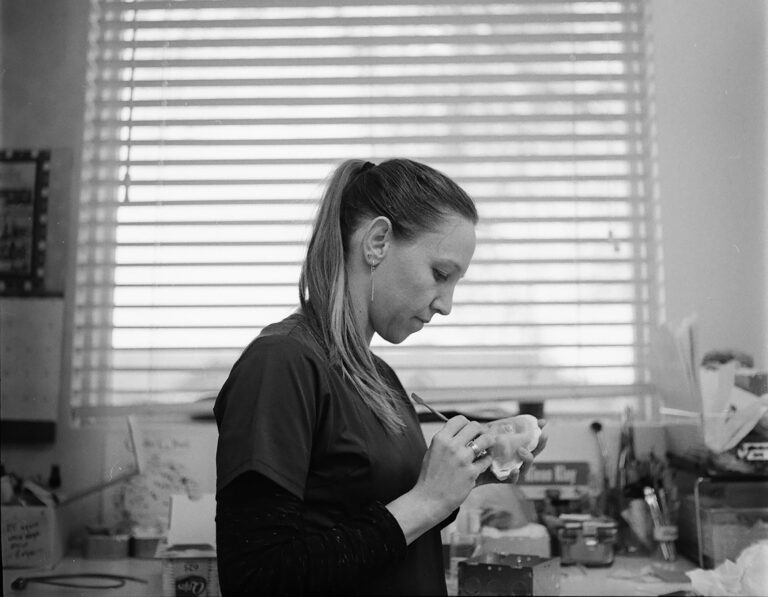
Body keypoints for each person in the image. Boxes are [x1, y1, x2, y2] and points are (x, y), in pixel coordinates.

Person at [214, 158, 547, 596]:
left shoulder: (380, 376)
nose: (446, 304)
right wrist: (428, 500)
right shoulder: (282, 362)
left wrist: (462, 480)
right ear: (377, 242)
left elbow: (379, 522)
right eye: (440, 274)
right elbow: (257, 578)